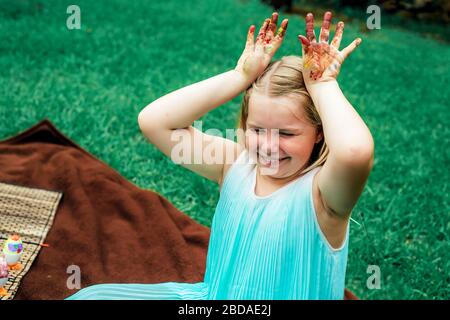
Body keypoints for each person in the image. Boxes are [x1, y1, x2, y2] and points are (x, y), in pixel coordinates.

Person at [66, 11, 374, 300]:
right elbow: (154, 121)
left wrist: (323, 86)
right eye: (257, 130)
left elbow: (354, 152)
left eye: (286, 134)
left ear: (320, 132)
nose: (268, 146)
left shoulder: (325, 195)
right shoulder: (235, 164)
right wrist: (240, 76)